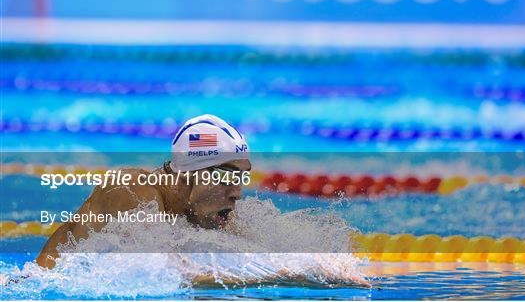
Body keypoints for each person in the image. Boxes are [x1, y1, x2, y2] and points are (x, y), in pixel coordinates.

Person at [35, 114, 369, 287]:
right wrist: (286, 274)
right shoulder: (132, 191)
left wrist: (324, 265)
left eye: (242, 178)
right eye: (229, 178)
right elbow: (162, 273)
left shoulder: (204, 208)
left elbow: (260, 248)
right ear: (193, 173)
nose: (237, 192)